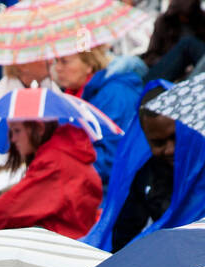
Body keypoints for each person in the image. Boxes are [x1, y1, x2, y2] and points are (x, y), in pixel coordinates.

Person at [85, 82, 205, 252]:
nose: (170, 149)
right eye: (158, 143)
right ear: (146, 140)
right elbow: (123, 235)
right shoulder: (144, 172)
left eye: (176, 137)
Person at [0, 121, 103, 238]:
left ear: (40, 128)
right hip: (76, 240)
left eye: (17, 131)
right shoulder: (66, 153)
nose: (13, 139)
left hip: (61, 244)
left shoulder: (53, 161)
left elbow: (5, 212)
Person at [51, 48, 142, 184]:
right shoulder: (76, 96)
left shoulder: (114, 95)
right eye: (56, 61)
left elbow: (112, 160)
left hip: (114, 190)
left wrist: (62, 165)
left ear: (89, 65)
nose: (57, 68)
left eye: (65, 62)